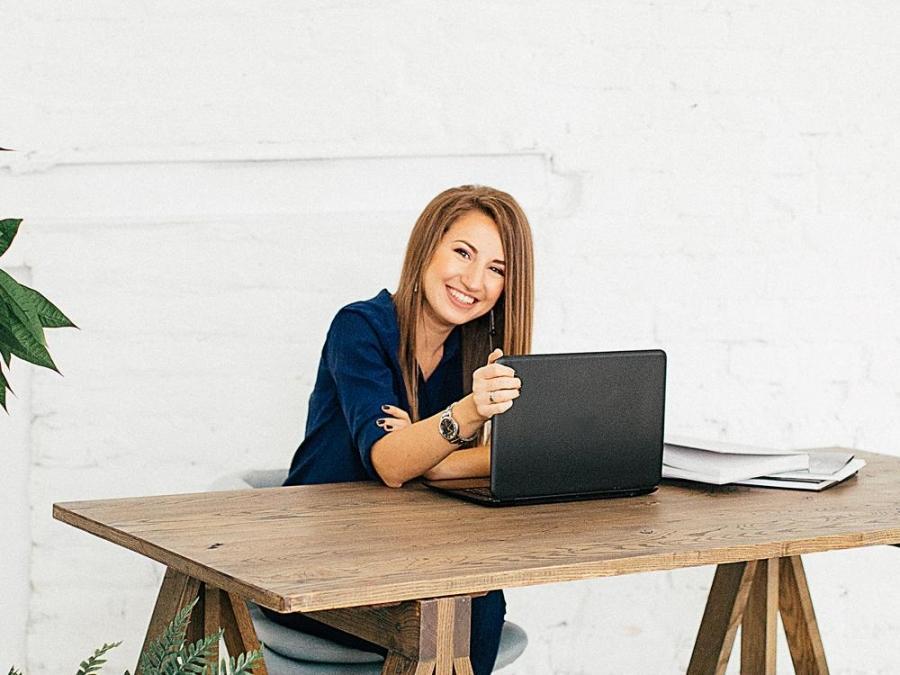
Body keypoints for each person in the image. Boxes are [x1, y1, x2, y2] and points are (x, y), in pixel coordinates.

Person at [265, 184, 535, 674]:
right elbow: (391, 464)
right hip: (313, 562)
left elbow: (508, 459)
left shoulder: (472, 351)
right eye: (463, 253)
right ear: (427, 245)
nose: (474, 280)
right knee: (458, 612)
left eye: (496, 269)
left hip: (406, 559)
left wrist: (430, 453)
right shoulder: (360, 327)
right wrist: (465, 416)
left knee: (479, 598)